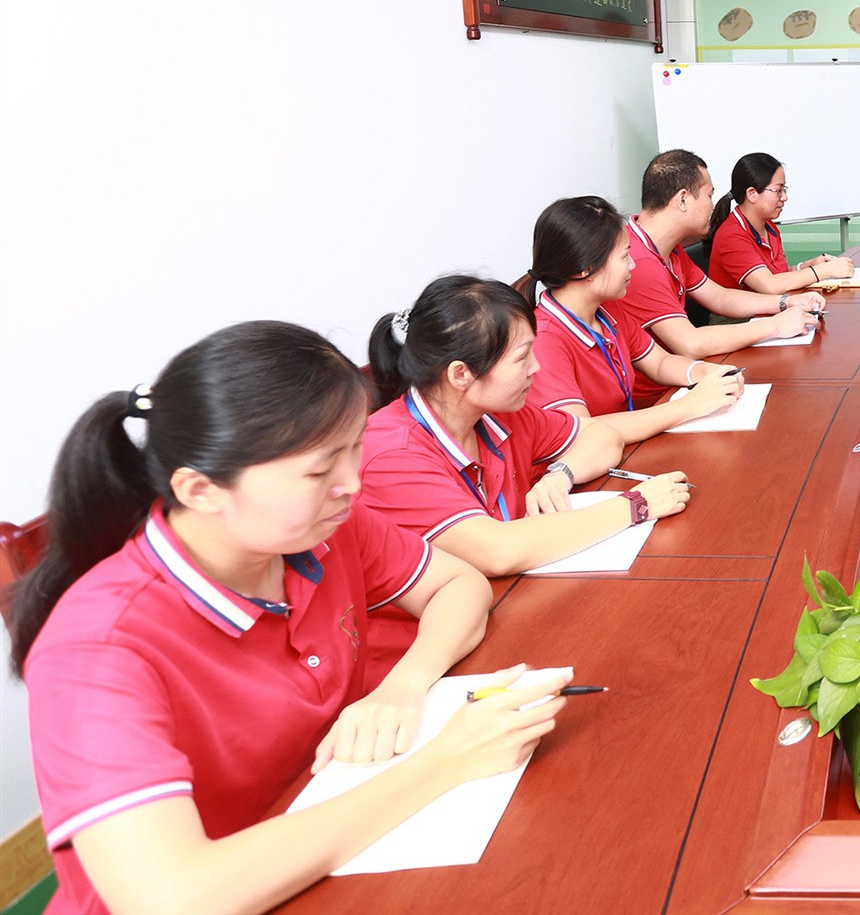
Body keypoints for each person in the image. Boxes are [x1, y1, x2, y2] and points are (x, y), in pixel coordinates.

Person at [9, 321, 568, 915]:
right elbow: (174, 898)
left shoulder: (319, 528)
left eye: (354, 448)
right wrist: (444, 764)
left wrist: (406, 683)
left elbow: (458, 584)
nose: (354, 483)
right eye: (319, 470)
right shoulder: (95, 649)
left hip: (335, 838)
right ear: (200, 490)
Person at [362, 276, 691, 679]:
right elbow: (497, 550)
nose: (536, 367)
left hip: (512, 611)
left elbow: (602, 436)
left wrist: (561, 473)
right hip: (430, 668)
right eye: (521, 358)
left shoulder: (497, 411)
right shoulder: (391, 454)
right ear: (461, 374)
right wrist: (635, 505)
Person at [525, 195, 745, 443]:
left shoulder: (608, 311)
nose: (632, 265)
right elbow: (582, 432)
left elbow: (660, 363)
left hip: (625, 449)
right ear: (585, 268)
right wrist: (690, 406)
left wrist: (704, 372)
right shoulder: (544, 339)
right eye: (623, 256)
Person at [612, 150, 824, 400]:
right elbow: (689, 343)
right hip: (659, 397)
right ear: (682, 199)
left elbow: (720, 297)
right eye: (709, 195)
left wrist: (786, 302)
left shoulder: (669, 248)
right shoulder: (640, 261)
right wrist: (776, 325)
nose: (713, 205)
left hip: (686, 379)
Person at [703, 152, 854, 294]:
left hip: (768, 308)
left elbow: (776, 276)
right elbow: (769, 285)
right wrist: (826, 270)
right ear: (752, 194)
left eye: (784, 189)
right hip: (738, 320)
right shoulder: (732, 236)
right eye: (778, 191)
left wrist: (806, 266)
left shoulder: (769, 227)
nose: (784, 198)